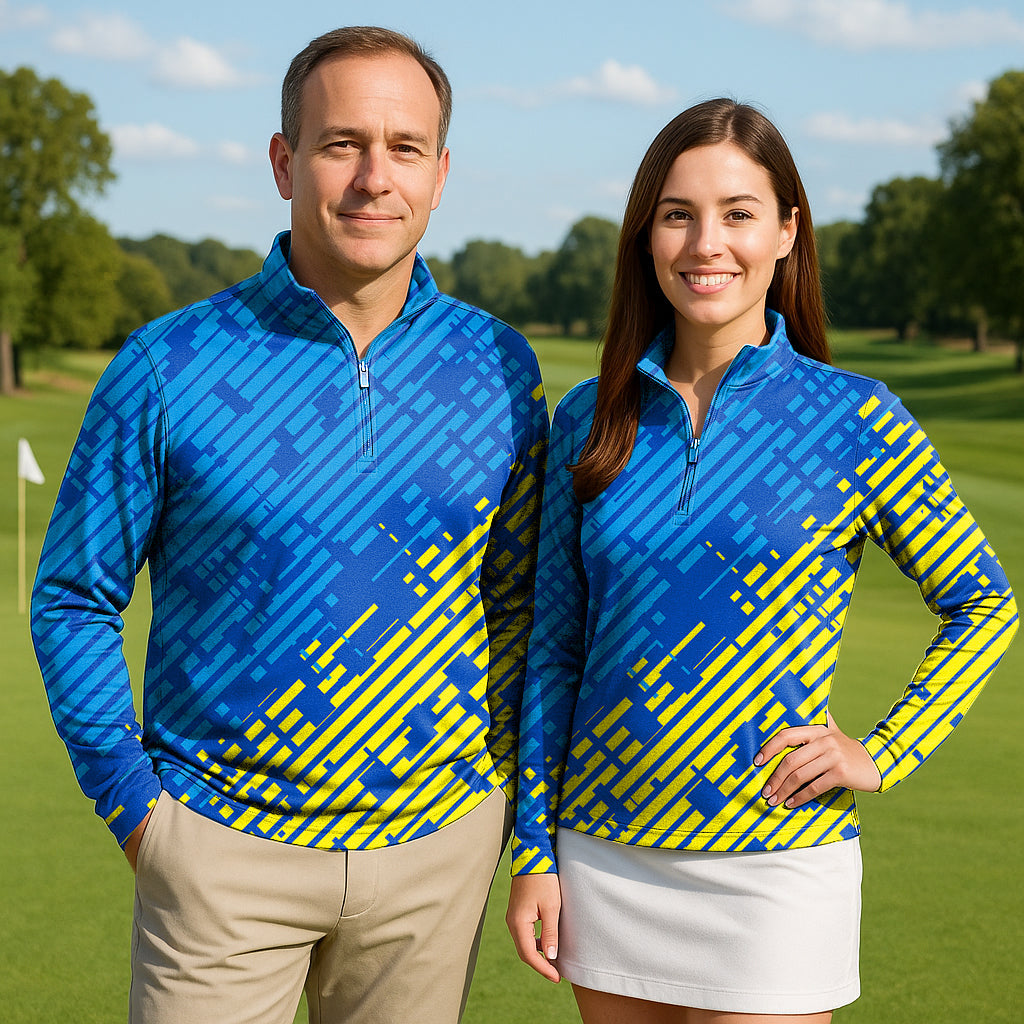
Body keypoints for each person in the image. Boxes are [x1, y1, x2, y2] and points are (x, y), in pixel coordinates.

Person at [32, 26, 547, 1024]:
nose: (371, 178)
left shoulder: (499, 368)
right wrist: (141, 816)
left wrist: (502, 816)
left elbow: (524, 603)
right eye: (340, 143)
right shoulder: (167, 364)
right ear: (284, 161)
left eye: (404, 149)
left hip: (434, 857)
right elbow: (74, 597)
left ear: (440, 175)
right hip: (217, 850)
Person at [505, 98, 1017, 1023]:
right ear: (646, 235)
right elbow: (553, 653)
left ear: (786, 232)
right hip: (603, 856)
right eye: (678, 214)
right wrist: (535, 851)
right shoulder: (588, 418)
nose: (708, 243)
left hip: (776, 861)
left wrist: (885, 749)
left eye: (739, 214)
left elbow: (983, 603)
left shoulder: (853, 418)